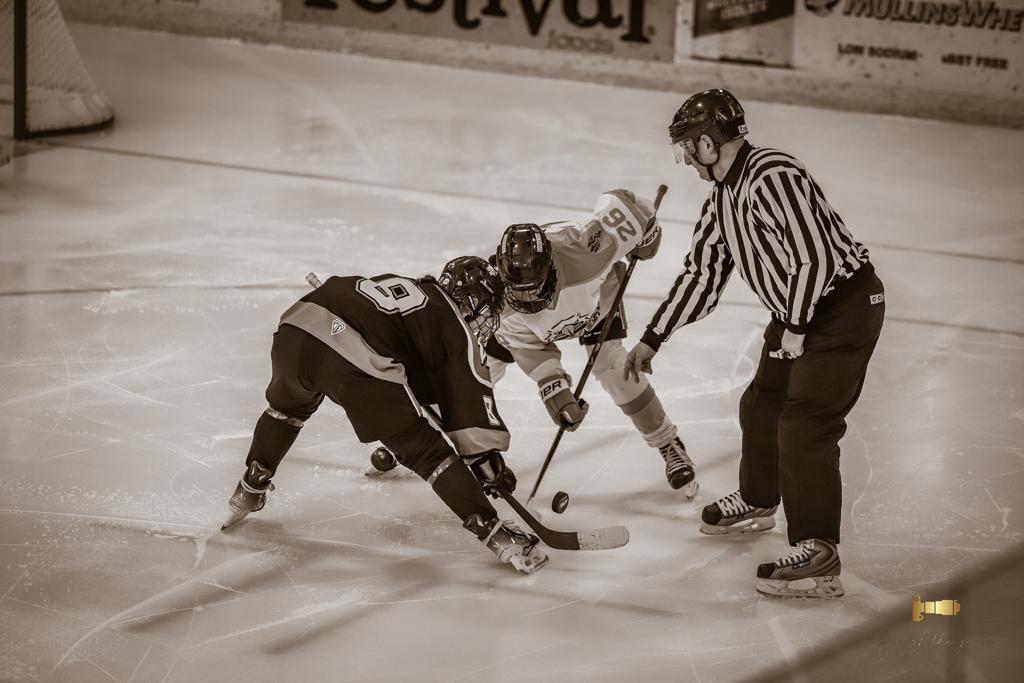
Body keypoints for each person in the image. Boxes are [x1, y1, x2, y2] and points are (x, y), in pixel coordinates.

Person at [623, 89, 885, 598]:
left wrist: (796, 327)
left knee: (805, 426)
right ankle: (760, 499)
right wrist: (654, 336)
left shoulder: (773, 174)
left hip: (843, 309)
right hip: (797, 312)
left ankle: (819, 553)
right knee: (762, 405)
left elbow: (814, 258)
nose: (686, 161)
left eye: (687, 148)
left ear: (707, 143)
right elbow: (702, 276)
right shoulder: (722, 199)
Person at [222, 256, 549, 575]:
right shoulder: (454, 325)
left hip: (296, 327)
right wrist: (485, 461)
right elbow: (468, 407)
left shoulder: (415, 290)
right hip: (350, 351)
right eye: (488, 309)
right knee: (426, 453)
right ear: (474, 302)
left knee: (286, 410)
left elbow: (414, 374)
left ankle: (250, 486)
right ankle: (498, 535)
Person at [486, 190, 698, 499]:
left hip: (595, 302)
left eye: (534, 289)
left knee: (613, 366)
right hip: (530, 329)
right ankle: (438, 435)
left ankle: (668, 443)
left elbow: (627, 203)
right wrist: (556, 394)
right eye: (519, 291)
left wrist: (647, 234)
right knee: (481, 367)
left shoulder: (585, 249)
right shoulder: (502, 306)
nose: (527, 300)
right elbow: (533, 352)